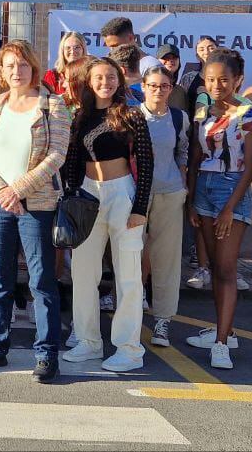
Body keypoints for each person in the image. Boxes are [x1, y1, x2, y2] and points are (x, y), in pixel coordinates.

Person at [0, 40, 70, 382]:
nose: (16, 72)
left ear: (34, 68)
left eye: (22, 65)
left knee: (41, 281)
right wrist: (1, 189)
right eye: (10, 65)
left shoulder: (52, 105)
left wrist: (19, 190)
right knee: (0, 280)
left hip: (36, 206)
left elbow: (57, 155)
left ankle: (46, 354)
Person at [61, 56, 153, 372]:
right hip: (87, 194)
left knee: (128, 275)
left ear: (119, 80)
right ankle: (88, 341)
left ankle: (129, 348)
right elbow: (71, 161)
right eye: (99, 77)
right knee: (83, 273)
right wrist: (71, 196)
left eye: (111, 76)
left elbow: (146, 163)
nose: (105, 82)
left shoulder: (132, 115)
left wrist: (140, 209)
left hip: (123, 194)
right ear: (89, 82)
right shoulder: (79, 117)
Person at [184, 51, 252, 369]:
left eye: (224, 79)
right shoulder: (202, 108)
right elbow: (194, 155)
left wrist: (230, 209)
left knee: (228, 269)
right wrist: (191, 200)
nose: (217, 85)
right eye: (211, 79)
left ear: (237, 80)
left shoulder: (247, 113)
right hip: (203, 188)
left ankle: (221, 344)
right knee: (215, 267)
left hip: (232, 190)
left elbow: (251, 168)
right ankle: (223, 331)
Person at [138, 66, 190, 348]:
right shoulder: (133, 117)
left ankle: (162, 320)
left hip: (169, 193)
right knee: (132, 256)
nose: (159, 90)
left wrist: (181, 180)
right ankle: (131, 314)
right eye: (153, 85)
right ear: (144, 87)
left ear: (171, 89)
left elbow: (183, 150)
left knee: (166, 259)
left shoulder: (179, 118)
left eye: (164, 86)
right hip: (136, 194)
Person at [43, 32, 86, 96]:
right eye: (68, 48)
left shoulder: (90, 73)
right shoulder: (52, 75)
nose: (72, 51)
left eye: (77, 47)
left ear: (83, 49)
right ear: (62, 51)